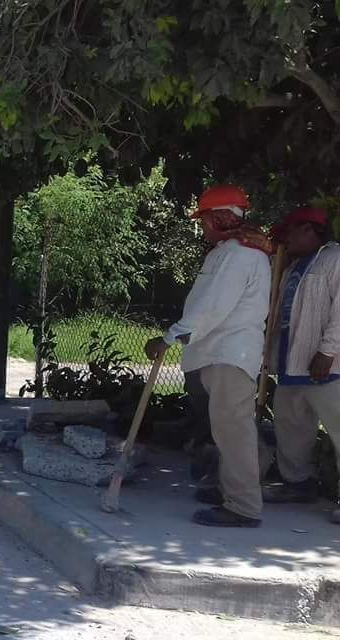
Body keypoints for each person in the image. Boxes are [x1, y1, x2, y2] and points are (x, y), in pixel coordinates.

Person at [145, 184, 273, 528]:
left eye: (204, 220)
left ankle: (243, 507)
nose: (202, 227)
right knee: (227, 431)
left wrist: (170, 337)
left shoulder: (240, 255)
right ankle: (231, 491)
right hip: (220, 354)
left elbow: (212, 308)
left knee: (234, 432)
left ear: (220, 218)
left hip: (230, 355)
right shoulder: (228, 252)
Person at [263, 207, 340, 525]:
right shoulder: (293, 265)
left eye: (290, 232)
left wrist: (328, 351)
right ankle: (298, 483)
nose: (285, 239)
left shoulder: (335, 259)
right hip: (292, 363)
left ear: (309, 229)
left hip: (328, 366)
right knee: (291, 428)